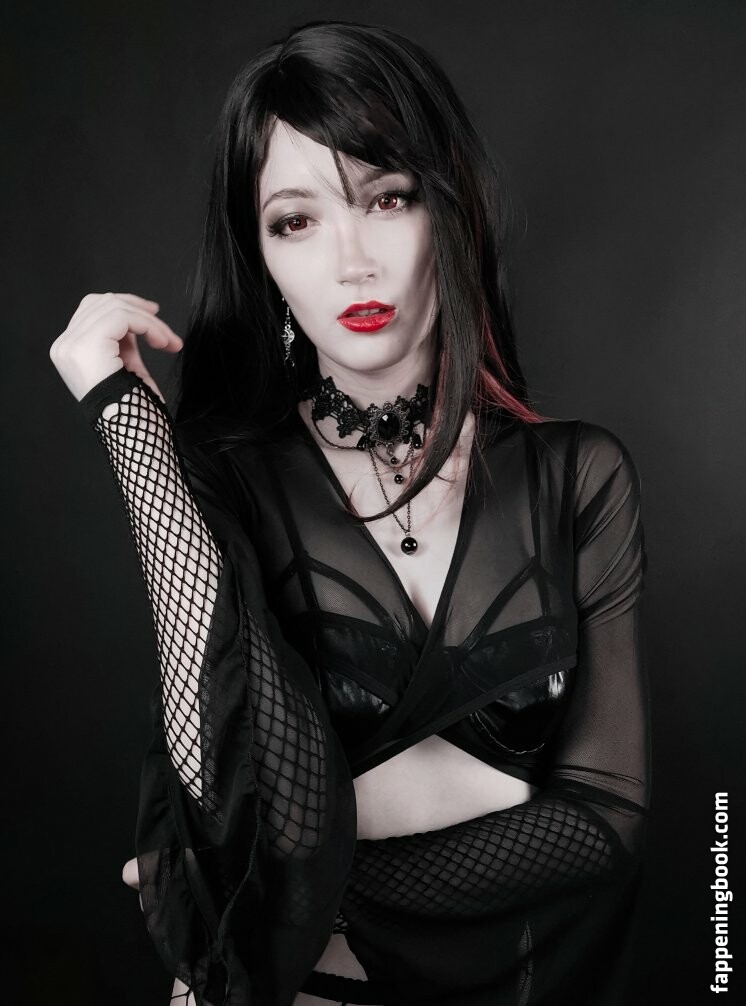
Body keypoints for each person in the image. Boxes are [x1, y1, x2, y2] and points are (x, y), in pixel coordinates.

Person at [49, 19, 650, 1006]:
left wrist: (277, 898)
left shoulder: (576, 475)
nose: (351, 260)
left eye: (387, 198)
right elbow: (222, 784)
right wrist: (135, 434)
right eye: (296, 221)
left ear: (448, 214)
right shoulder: (232, 475)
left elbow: (605, 815)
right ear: (261, 256)